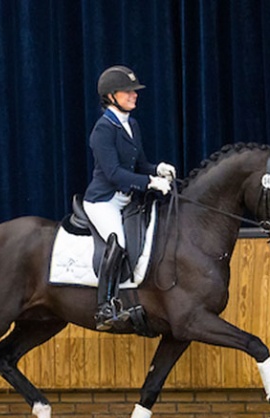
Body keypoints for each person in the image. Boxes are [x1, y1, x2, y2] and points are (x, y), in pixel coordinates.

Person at [83, 65, 176, 331]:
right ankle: (105, 306)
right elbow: (114, 173)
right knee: (119, 242)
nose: (134, 95)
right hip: (103, 200)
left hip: (125, 199)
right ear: (111, 95)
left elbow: (139, 164)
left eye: (134, 91)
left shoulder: (131, 124)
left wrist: (156, 168)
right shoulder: (103, 129)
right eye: (128, 91)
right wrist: (150, 182)